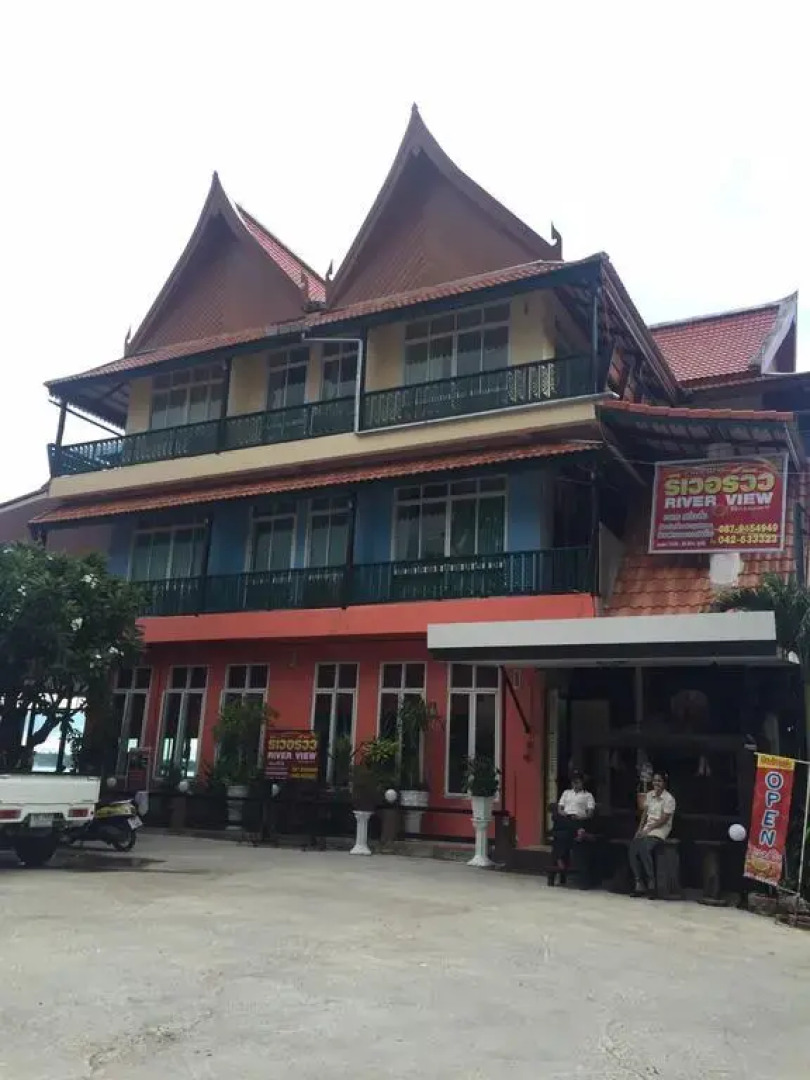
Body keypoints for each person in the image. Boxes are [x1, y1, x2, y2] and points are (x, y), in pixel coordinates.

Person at [628, 772, 676, 898]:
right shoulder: (649, 795)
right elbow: (645, 814)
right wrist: (640, 829)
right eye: (655, 781)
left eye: (659, 781)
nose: (656, 783)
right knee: (633, 847)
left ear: (664, 783)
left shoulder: (669, 799)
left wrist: (649, 829)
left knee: (644, 848)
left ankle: (651, 883)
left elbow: (664, 819)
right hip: (647, 828)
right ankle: (639, 882)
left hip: (659, 829)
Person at [548, 771, 595, 886]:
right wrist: (563, 813)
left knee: (562, 835)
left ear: (582, 783)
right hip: (565, 818)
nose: (576, 784)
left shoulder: (588, 796)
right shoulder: (566, 793)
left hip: (579, 819)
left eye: (578, 782)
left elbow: (590, 813)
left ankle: (559, 858)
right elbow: (560, 808)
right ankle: (578, 832)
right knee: (562, 823)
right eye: (574, 782)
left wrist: (580, 816)